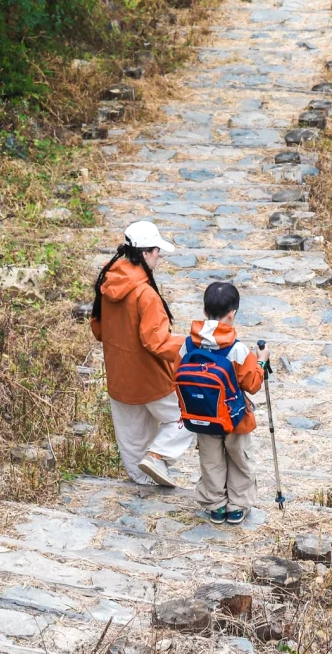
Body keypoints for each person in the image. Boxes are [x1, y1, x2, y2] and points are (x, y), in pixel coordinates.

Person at [91, 220, 193, 488]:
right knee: (188, 416)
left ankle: (142, 481)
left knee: (133, 435)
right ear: (146, 253)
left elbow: (97, 328)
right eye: (157, 251)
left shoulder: (106, 280)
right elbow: (157, 342)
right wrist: (193, 344)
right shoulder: (145, 294)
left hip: (118, 376)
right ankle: (157, 456)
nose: (159, 256)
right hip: (150, 378)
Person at [175, 280, 266, 526]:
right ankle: (236, 508)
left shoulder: (188, 343)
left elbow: (177, 371)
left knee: (211, 460)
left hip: (203, 415)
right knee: (239, 458)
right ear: (232, 314)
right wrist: (262, 362)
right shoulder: (237, 350)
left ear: (204, 312)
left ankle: (215, 506)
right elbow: (253, 385)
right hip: (236, 417)